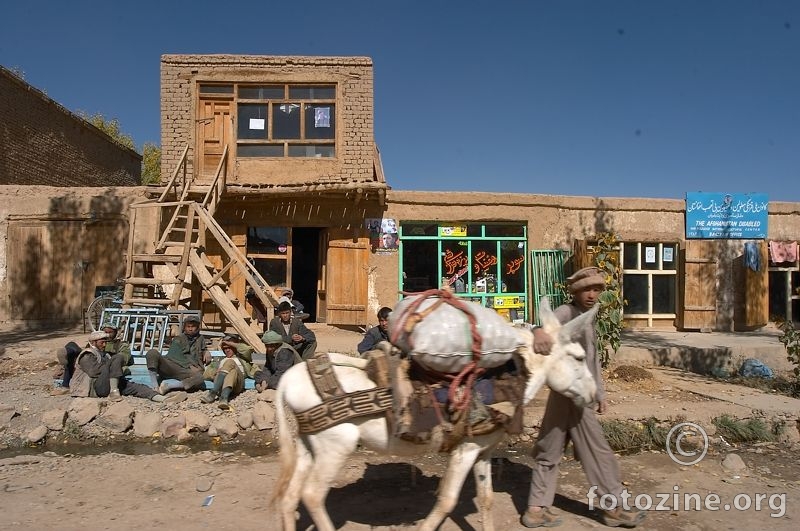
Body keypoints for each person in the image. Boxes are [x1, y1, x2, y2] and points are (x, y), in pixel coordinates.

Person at [521, 267, 645, 528]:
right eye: (586, 290)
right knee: (597, 451)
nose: (591, 295)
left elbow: (593, 360)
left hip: (571, 395)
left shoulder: (588, 317)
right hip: (572, 397)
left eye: (596, 290)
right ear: (575, 292)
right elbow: (542, 328)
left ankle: (535, 509)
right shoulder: (567, 312)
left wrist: (600, 392)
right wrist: (536, 331)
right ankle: (615, 509)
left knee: (550, 449)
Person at [69, 331, 165, 402]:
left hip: (107, 384)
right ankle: (114, 392)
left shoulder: (105, 354)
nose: (104, 344)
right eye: (102, 342)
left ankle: (162, 399)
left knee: (136, 387)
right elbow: (94, 372)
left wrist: (115, 369)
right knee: (118, 357)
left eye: (105, 342)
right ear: (93, 343)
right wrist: (113, 366)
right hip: (93, 388)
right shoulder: (87, 354)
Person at [52, 321, 133, 395]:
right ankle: (67, 353)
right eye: (105, 332)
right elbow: (88, 353)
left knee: (79, 360)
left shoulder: (121, 344)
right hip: (91, 360)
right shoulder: (96, 341)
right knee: (71, 346)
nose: (108, 334)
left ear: (115, 333)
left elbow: (124, 357)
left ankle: (65, 383)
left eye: (110, 332)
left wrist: (110, 357)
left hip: (104, 365)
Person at [146, 314, 210, 395]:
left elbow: (202, 349)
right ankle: (155, 387)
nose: (190, 329)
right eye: (188, 326)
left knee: (200, 378)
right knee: (152, 353)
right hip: (172, 365)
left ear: (197, 327)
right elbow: (174, 355)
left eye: (193, 326)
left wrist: (206, 351)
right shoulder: (179, 339)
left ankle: (169, 386)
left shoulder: (200, 339)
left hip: (184, 372)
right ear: (184, 327)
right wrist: (190, 366)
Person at [200, 335, 255, 409]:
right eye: (225, 348)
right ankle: (223, 398)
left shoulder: (243, 358)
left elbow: (247, 349)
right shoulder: (219, 360)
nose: (227, 350)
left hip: (237, 383)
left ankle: (212, 393)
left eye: (230, 347)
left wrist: (230, 343)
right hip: (220, 385)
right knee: (231, 371)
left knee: (230, 363)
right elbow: (206, 375)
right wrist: (215, 371)